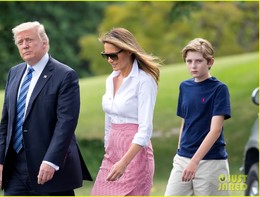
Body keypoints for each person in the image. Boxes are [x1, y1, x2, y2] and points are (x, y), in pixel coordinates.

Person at [0, 21, 92, 196]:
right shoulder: (14, 73)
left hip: (49, 169)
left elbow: (66, 124)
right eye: (20, 42)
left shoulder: (65, 75)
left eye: (29, 40)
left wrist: (51, 161)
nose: (24, 45)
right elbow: (6, 120)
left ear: (44, 43)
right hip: (15, 168)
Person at [91, 27, 161, 196]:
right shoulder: (111, 79)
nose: (109, 60)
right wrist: (108, 146)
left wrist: (124, 162)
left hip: (134, 155)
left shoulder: (144, 81)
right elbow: (110, 117)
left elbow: (145, 130)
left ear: (128, 51)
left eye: (113, 55)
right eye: (105, 55)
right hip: (112, 154)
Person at [164, 38, 231, 196]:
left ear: (210, 62)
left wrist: (194, 162)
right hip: (182, 159)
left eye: (198, 61)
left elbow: (215, 130)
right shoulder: (184, 87)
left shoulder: (219, 89)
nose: (193, 66)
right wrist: (179, 151)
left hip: (210, 162)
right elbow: (185, 121)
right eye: (189, 61)